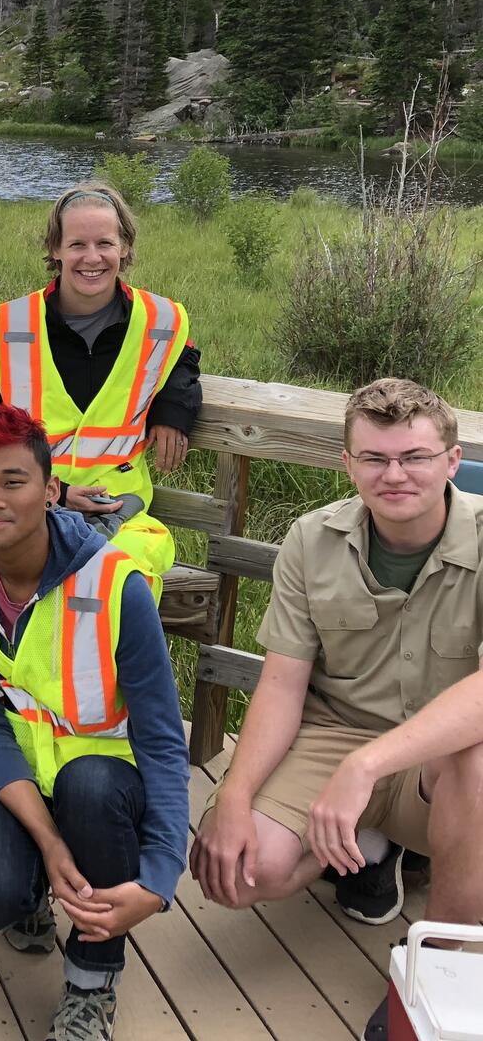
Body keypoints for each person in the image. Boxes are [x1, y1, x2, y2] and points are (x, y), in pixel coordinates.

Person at [189, 378, 483, 1041]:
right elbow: (284, 685)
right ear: (347, 464)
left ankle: (429, 973)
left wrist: (367, 768)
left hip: (444, 757)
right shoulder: (312, 539)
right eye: (374, 459)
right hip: (337, 733)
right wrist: (234, 796)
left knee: (478, 761)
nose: (395, 474)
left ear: (452, 461)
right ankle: (368, 847)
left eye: (415, 457)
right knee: (235, 872)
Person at [0, 403, 189, 1041]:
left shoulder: (117, 582)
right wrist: (48, 841)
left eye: (13, 481)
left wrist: (160, 874)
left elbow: (160, 736)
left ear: (48, 490)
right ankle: (34, 887)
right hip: (20, 767)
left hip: (110, 773)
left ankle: (93, 981)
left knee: (90, 790)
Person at [0, 182, 200, 591]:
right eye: (77, 245)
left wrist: (173, 408)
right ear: (55, 249)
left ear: (125, 247)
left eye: (105, 242)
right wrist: (58, 493)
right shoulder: (7, 328)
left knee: (121, 579)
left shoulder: (162, 320)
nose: (92, 258)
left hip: (125, 514)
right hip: (29, 509)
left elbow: (184, 357)